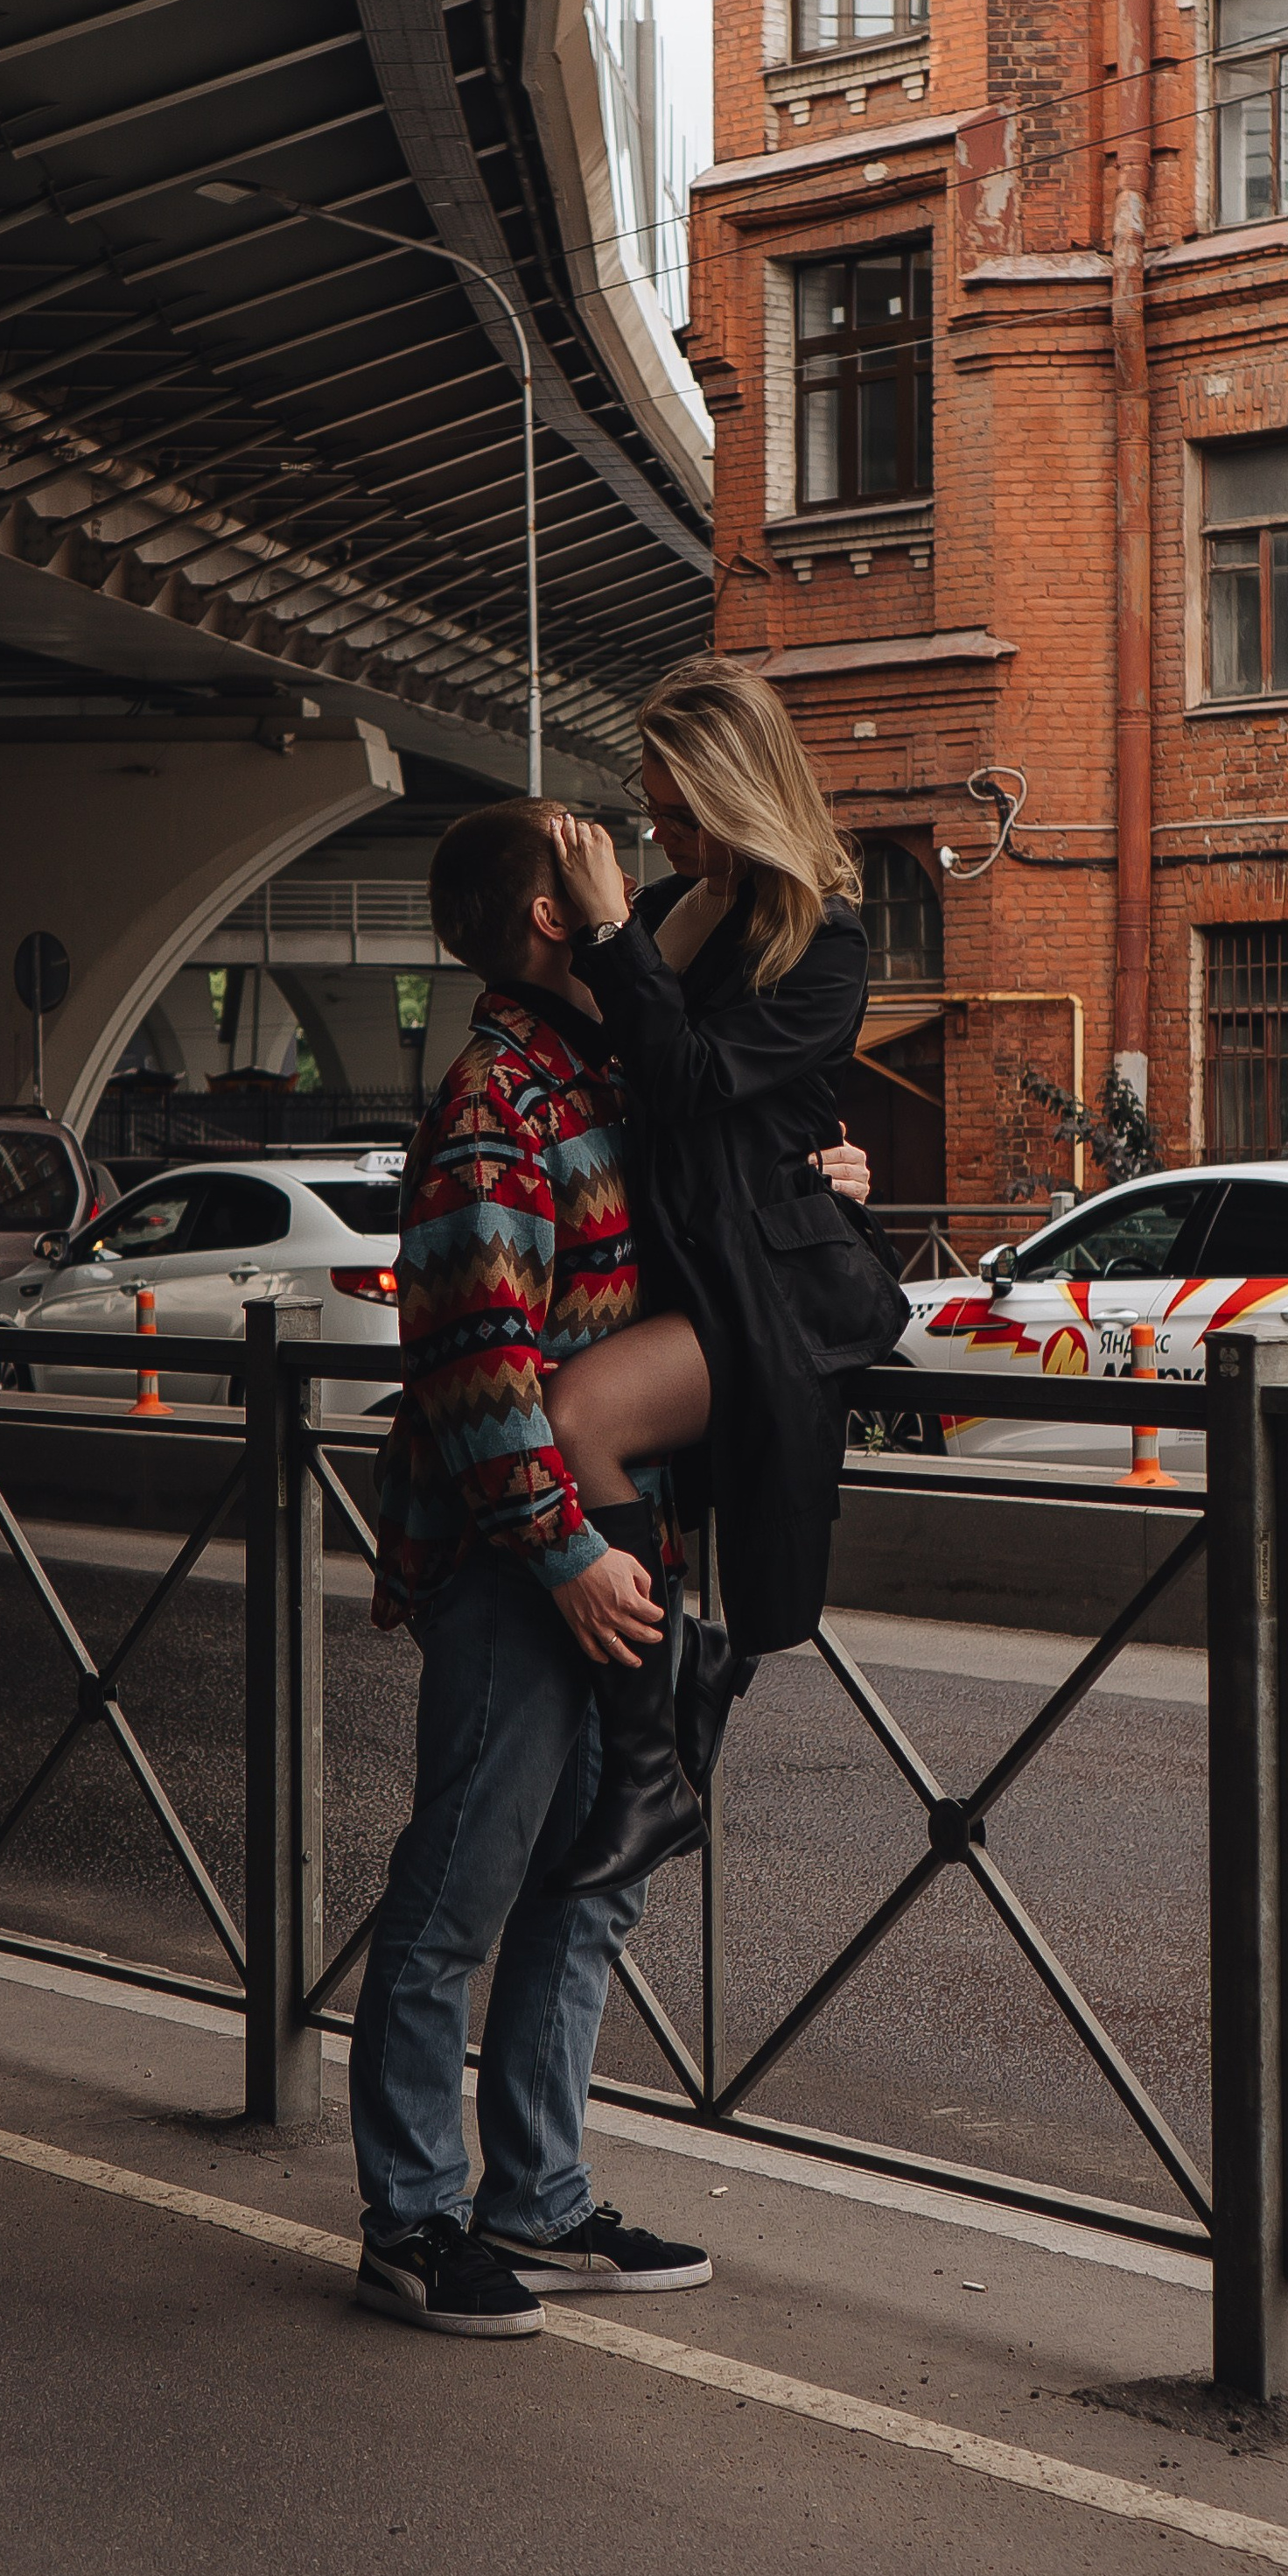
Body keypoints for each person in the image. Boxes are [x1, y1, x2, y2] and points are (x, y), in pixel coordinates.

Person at [350, 794, 871, 2337]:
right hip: (524, 1561)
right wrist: (569, 1554)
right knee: (460, 1891)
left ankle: (538, 2196)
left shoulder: (612, 1073)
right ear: (546, 918)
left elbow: (719, 1206)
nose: (629, 874)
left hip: (620, 1543)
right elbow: (472, 1366)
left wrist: (821, 1179)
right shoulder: (496, 1100)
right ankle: (412, 2220)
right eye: (591, 857)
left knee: (589, 1888)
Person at [539, 654, 910, 1899]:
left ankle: (650, 1774)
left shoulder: (820, 934)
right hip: (668, 1257)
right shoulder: (662, 907)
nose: (662, 833)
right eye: (653, 808)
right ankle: (684, 1685)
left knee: (580, 1419)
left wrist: (607, 934)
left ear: (742, 798)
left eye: (684, 813)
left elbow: (692, 1080)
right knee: (604, 1443)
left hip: (765, 1277)